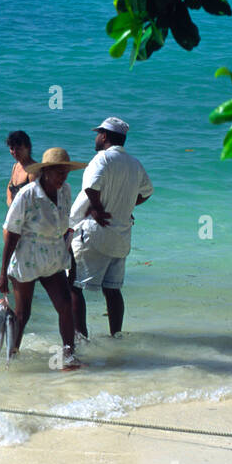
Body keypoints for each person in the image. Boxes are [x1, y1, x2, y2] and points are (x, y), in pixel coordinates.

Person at [0, 147, 87, 369]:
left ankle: (68, 356)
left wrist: (71, 260)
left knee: (65, 305)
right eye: (58, 173)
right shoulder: (27, 195)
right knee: (22, 313)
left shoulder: (65, 191)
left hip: (54, 258)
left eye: (65, 174)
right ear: (46, 172)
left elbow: (66, 229)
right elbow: (11, 233)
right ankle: (11, 358)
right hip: (28, 258)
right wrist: (3, 273)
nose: (62, 178)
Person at [69, 117, 153, 338]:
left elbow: (90, 186)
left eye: (98, 133)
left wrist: (97, 207)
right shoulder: (134, 163)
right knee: (113, 289)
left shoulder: (101, 159)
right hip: (122, 235)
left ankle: (80, 338)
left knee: (74, 286)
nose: (96, 137)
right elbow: (147, 192)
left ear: (104, 136)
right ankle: (116, 336)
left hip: (95, 232)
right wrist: (126, 206)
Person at [5, 130, 34, 205]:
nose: (14, 152)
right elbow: (10, 186)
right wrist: (9, 200)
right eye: (12, 148)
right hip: (16, 212)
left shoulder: (33, 171)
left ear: (28, 148)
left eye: (18, 148)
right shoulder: (16, 166)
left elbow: (35, 199)